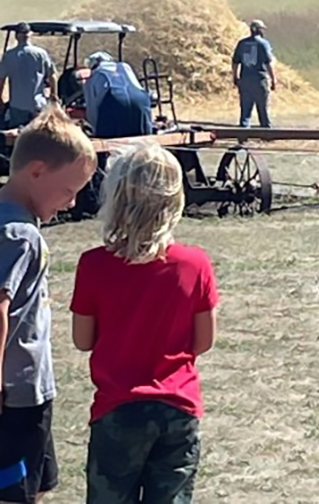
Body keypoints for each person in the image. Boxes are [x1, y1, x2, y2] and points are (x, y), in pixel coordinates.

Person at [70, 143, 218, 504]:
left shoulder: (94, 265)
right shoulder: (194, 264)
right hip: (178, 407)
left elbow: (82, 339)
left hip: (118, 408)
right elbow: (204, 341)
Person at [0, 107, 96, 504]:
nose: (72, 203)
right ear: (37, 171)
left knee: (35, 485)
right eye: (68, 190)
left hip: (31, 392)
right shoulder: (19, 234)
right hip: (16, 396)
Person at [0, 24, 57, 130]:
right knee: (40, 134)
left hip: (17, 105)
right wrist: (53, 95)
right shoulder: (41, 54)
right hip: (38, 104)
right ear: (30, 35)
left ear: (16, 36)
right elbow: (52, 76)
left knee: (17, 137)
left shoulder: (9, 56)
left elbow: (1, 80)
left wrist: (1, 99)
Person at [83, 52, 153, 138]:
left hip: (113, 101)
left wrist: (95, 131)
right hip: (140, 99)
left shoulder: (92, 78)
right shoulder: (125, 67)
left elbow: (92, 109)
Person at [232, 20, 277, 128]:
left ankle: (243, 135)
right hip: (259, 80)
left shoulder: (242, 43)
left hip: (245, 80)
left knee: (245, 111)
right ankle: (266, 133)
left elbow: (235, 62)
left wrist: (235, 76)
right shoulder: (263, 44)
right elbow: (268, 63)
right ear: (259, 30)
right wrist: (273, 79)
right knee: (262, 109)